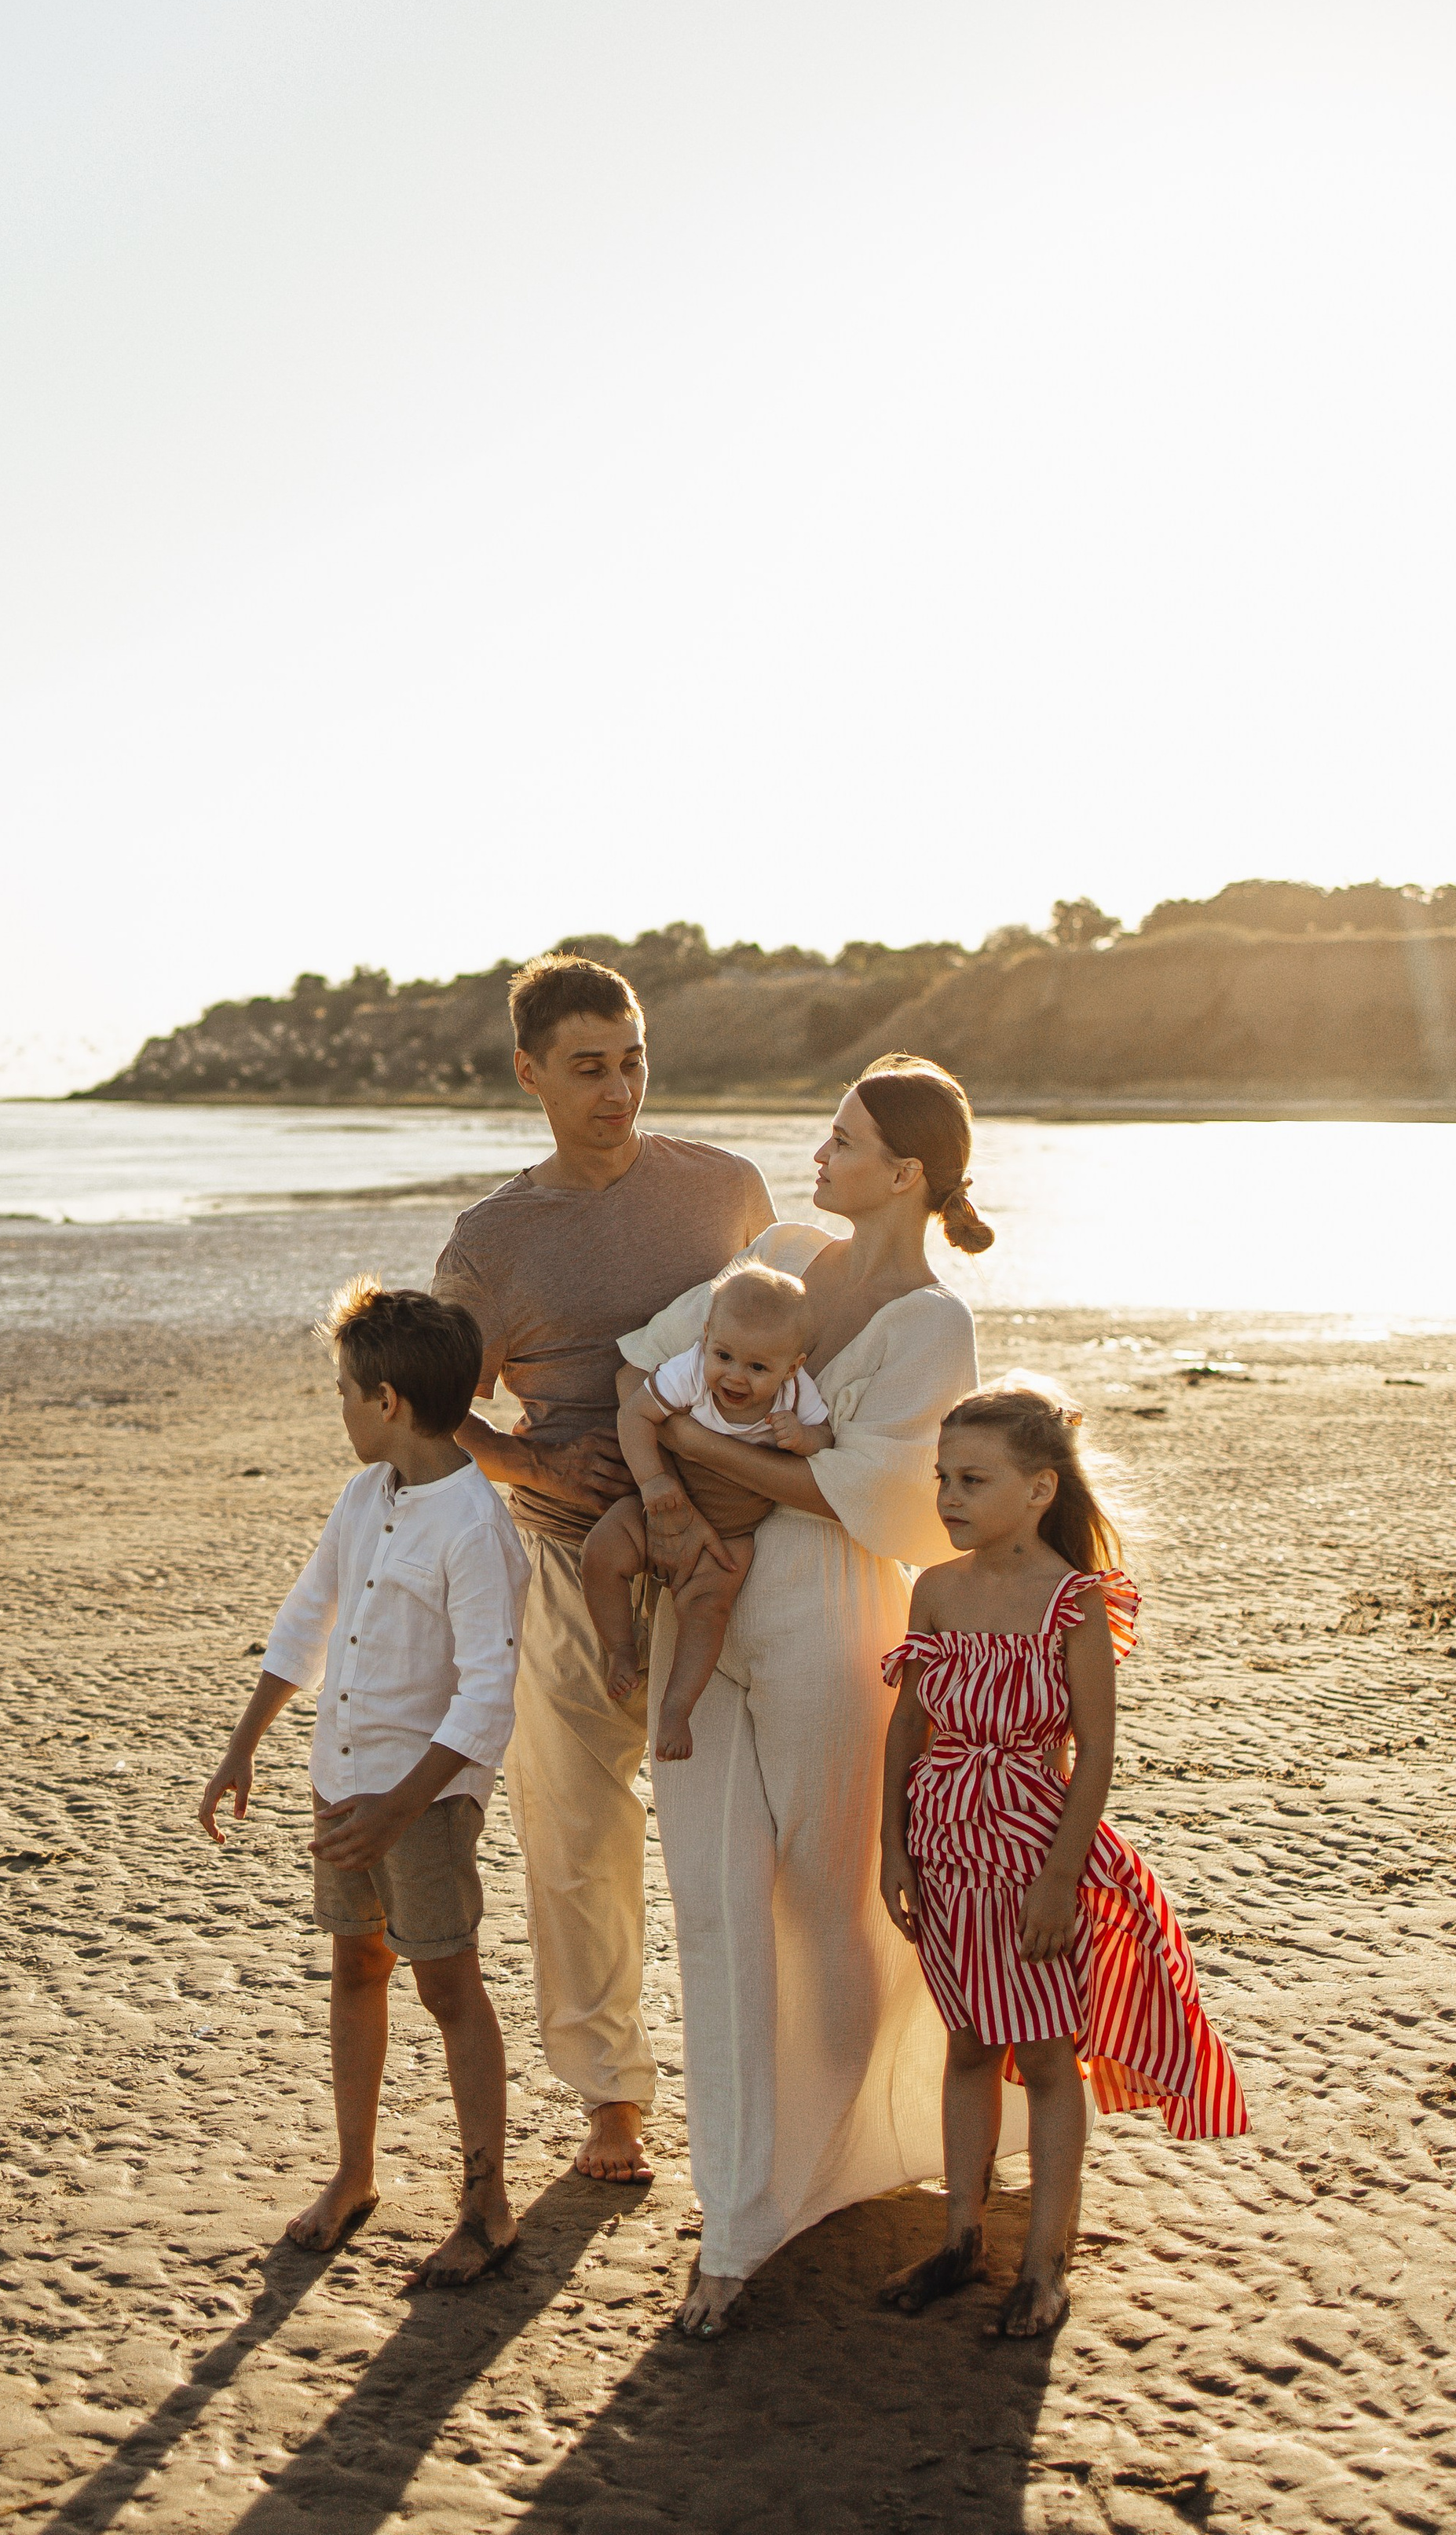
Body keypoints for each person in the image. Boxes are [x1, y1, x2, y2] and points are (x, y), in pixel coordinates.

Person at [614, 1053, 992, 2332]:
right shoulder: (777, 1246)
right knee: (717, 1903)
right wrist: (667, 1489)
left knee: (836, 1895)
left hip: (837, 1614)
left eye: (841, 1142)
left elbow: (883, 1500)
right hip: (700, 1604)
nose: (817, 1158)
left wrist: (701, 1444)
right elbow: (646, 1371)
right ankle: (738, 2215)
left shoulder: (937, 1324)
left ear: (908, 1175)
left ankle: (854, 2150)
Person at [433, 954, 774, 2185]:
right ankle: (611, 2102)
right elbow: (433, 1417)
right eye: (589, 1068)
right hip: (569, 1566)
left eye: (633, 1059)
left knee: (743, 1831)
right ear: (529, 1074)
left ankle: (771, 2089)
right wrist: (528, 1469)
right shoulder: (490, 1242)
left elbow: (787, 1340)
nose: (619, 1089)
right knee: (580, 1844)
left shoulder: (726, 1190)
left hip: (727, 1557)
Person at [878, 1378, 1249, 2337]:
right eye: (942, 1479)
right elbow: (909, 1724)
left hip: (1032, 1853)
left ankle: (1043, 2266)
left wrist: (1055, 1882)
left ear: (1039, 1489)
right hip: (945, 1847)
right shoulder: (937, 1591)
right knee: (966, 2041)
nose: (949, 1497)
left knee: (1045, 2055)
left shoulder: (1074, 1603)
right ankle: (962, 2237)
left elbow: (1093, 1754)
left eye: (973, 1479)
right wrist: (893, 1847)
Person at [197, 1280, 532, 2287]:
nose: (338, 1407)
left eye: (344, 1390)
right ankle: (354, 2175)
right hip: (341, 1784)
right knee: (356, 1971)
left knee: (447, 1985)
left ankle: (487, 2204)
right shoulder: (363, 1497)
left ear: (387, 1401)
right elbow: (307, 1619)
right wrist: (246, 1740)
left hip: (420, 1803)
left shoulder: (475, 1525)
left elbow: (487, 1697)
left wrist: (400, 1808)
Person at [582, 1258, 831, 1761]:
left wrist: (805, 1437)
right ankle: (621, 1649)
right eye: (724, 1356)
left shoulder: (797, 1395)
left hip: (731, 1533)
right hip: (661, 1505)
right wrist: (652, 1481)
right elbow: (636, 1414)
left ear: (793, 1366)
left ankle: (676, 1708)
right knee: (601, 1552)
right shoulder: (693, 1370)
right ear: (705, 1338)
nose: (735, 1377)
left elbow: (825, 1436)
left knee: (708, 1612)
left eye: (758, 1368)